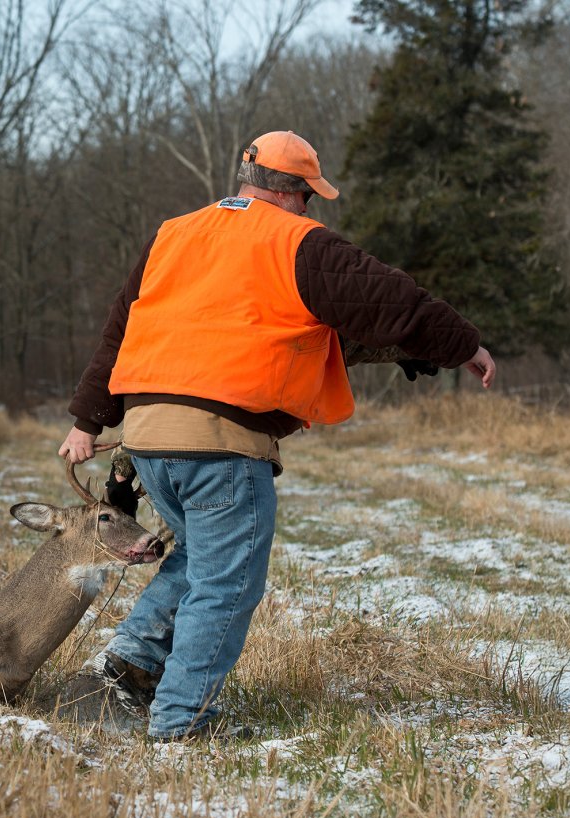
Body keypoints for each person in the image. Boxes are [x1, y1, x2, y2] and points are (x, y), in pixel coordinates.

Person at [58, 130, 495, 741]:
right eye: (311, 198)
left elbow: (120, 329)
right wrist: (464, 343)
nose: (310, 210)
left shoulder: (174, 233)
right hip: (221, 446)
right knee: (228, 581)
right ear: (295, 194)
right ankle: (180, 722)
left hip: (149, 439)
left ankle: (129, 661)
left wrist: (87, 420)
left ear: (247, 181)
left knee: (200, 558)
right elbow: (394, 299)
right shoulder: (298, 242)